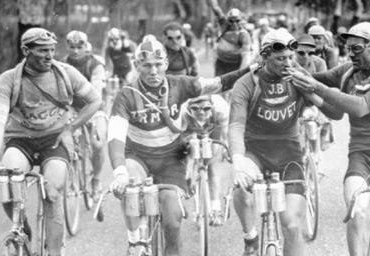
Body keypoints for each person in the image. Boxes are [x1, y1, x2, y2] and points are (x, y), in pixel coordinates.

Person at [107, 39, 256, 255]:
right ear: (137, 65)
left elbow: (219, 83)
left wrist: (252, 69)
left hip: (170, 159)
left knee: (173, 221)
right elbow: (115, 136)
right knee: (131, 190)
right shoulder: (126, 94)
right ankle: (134, 242)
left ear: (166, 64)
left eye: (158, 64)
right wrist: (119, 172)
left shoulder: (180, 84)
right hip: (136, 157)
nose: (153, 71)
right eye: (147, 65)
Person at [288, 22, 370, 256]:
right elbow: (313, 80)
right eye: (348, 48)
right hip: (362, 157)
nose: (350, 54)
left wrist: (318, 88)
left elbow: (361, 107)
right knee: (357, 210)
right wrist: (285, 62)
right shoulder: (347, 73)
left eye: (357, 49)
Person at [0, 28, 102, 256]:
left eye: (52, 50)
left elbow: (94, 100)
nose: (50, 56)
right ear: (26, 51)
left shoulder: (66, 73)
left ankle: (55, 252)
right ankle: (23, 228)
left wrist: (71, 127)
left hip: (54, 140)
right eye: (42, 51)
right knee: (6, 182)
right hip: (21, 140)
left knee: (53, 191)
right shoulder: (8, 80)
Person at [229, 29, 321, 256]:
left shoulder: (297, 77)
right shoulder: (247, 83)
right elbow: (236, 126)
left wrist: (315, 100)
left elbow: (326, 105)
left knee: (291, 224)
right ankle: (250, 237)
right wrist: (238, 160)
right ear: (265, 56)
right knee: (241, 187)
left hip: (289, 152)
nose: (287, 63)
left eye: (291, 57)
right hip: (254, 151)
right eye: (280, 58)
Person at [63, 30, 108, 198]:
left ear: (85, 46)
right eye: (72, 47)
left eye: (79, 47)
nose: (75, 51)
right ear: (67, 46)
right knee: (63, 138)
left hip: (94, 108)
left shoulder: (95, 64)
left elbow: (96, 89)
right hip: (71, 108)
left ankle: (96, 179)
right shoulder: (60, 64)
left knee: (97, 143)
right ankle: (71, 177)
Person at [180, 95, 232, 226]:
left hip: (214, 129)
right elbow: (177, 138)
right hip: (189, 130)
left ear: (212, 106)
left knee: (213, 166)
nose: (201, 112)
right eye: (196, 108)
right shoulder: (182, 112)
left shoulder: (221, 108)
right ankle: (191, 183)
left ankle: (215, 208)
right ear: (189, 108)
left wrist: (226, 149)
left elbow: (226, 134)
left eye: (206, 108)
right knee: (187, 160)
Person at [209, 7, 252, 75]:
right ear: (227, 21)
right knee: (219, 84)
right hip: (220, 63)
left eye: (237, 21)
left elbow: (246, 56)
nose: (234, 23)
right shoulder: (223, 27)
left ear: (241, 21)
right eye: (231, 21)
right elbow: (216, 10)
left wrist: (242, 72)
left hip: (234, 65)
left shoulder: (244, 35)